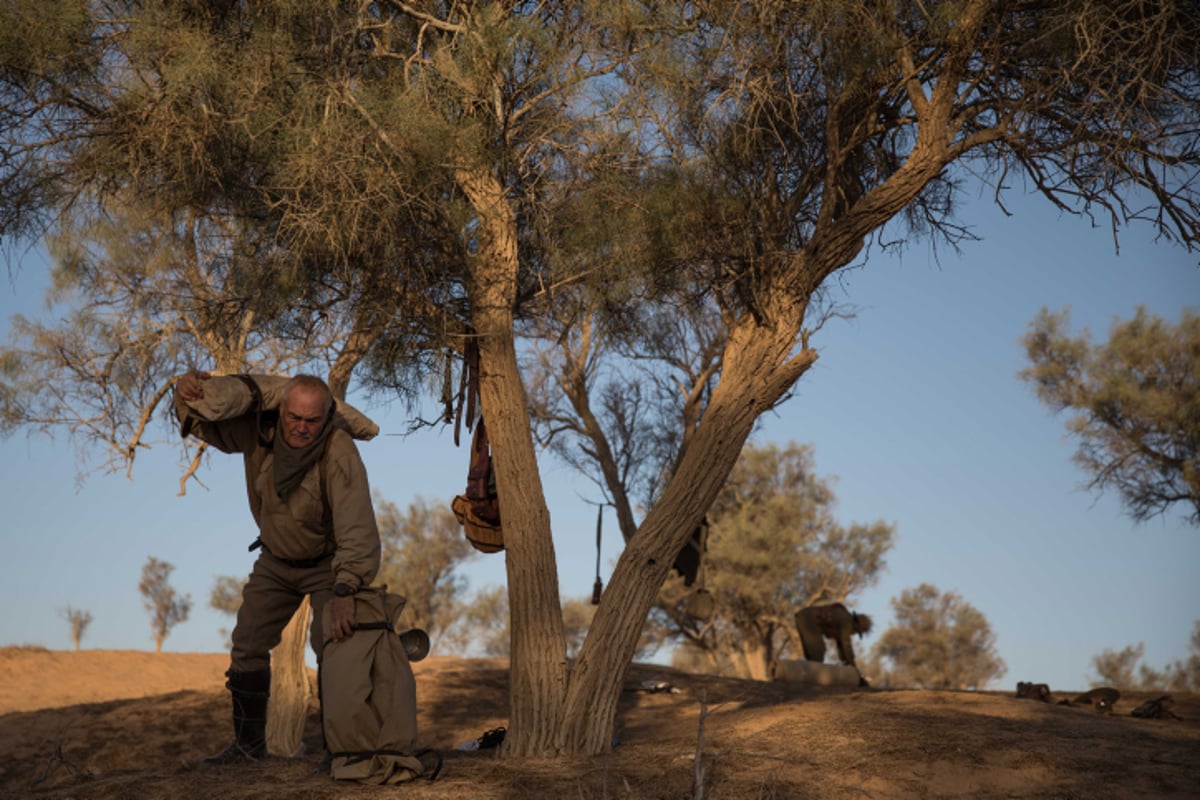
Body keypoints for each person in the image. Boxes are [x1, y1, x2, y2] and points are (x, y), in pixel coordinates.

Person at [173, 370, 381, 766]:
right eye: (294, 418)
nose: (302, 428)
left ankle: (340, 751)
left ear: (326, 417)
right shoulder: (260, 431)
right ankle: (248, 748)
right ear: (280, 410)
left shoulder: (338, 449)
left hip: (328, 567)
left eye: (312, 421)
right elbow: (208, 427)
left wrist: (346, 590)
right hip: (275, 561)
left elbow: (358, 526)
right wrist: (185, 395)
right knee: (247, 643)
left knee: (335, 649)